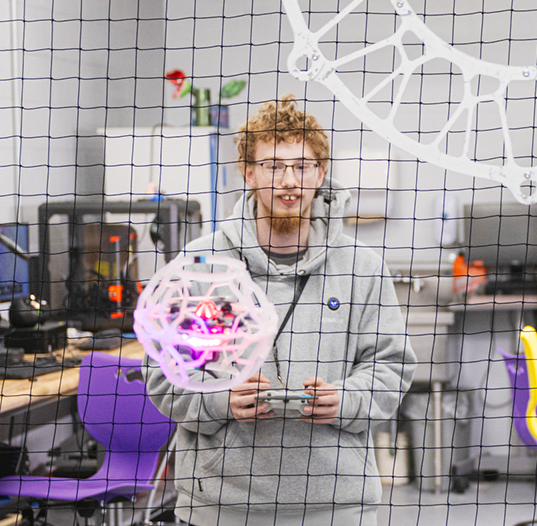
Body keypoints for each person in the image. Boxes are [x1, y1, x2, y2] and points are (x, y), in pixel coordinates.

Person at [146, 94, 416, 526]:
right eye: (273, 166)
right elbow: (163, 374)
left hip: (335, 505)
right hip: (221, 506)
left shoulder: (362, 267)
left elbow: (391, 366)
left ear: (321, 173)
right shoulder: (201, 264)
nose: (289, 181)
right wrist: (220, 400)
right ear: (248, 172)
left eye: (302, 166)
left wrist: (346, 400)